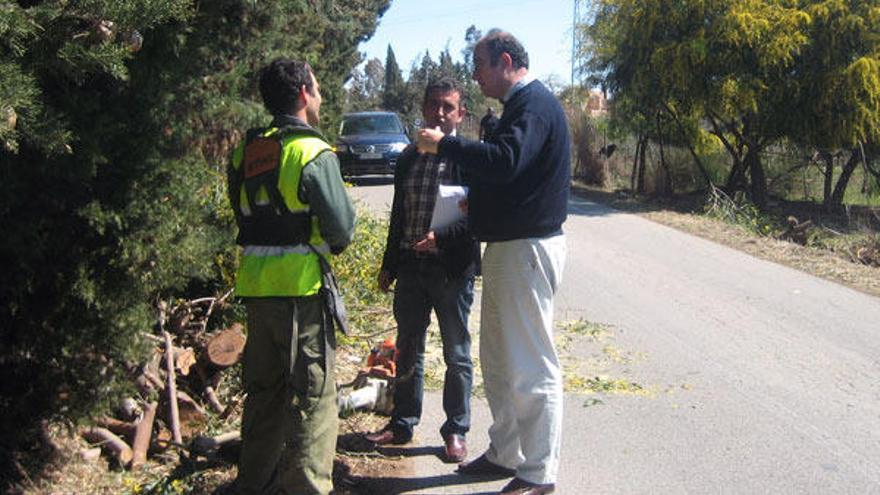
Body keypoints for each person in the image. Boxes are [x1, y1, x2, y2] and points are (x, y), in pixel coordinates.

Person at [416, 30, 569, 495]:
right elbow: (500, 177)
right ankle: (507, 452)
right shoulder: (517, 110)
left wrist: (444, 144)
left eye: (480, 65)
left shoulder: (535, 105)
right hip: (506, 249)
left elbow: (505, 162)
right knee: (499, 361)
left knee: (531, 362)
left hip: (527, 249)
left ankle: (539, 472)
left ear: (505, 61)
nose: (476, 75)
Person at [226, 58, 356, 495]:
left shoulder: (246, 151)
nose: (318, 96)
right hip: (303, 293)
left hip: (257, 293)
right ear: (303, 93)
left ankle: (253, 485)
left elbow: (241, 213)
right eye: (316, 89)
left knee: (264, 393)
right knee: (314, 400)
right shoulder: (312, 152)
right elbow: (342, 228)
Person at [364, 77, 479, 464]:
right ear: (424, 108)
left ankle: (456, 430)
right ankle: (402, 423)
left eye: (448, 106)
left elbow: (481, 218)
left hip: (451, 271)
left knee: (457, 354)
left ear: (461, 114)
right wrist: (388, 264)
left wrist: (443, 241)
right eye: (434, 105)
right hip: (411, 268)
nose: (440, 113)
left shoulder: (468, 158)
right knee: (408, 346)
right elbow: (399, 214)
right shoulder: (409, 157)